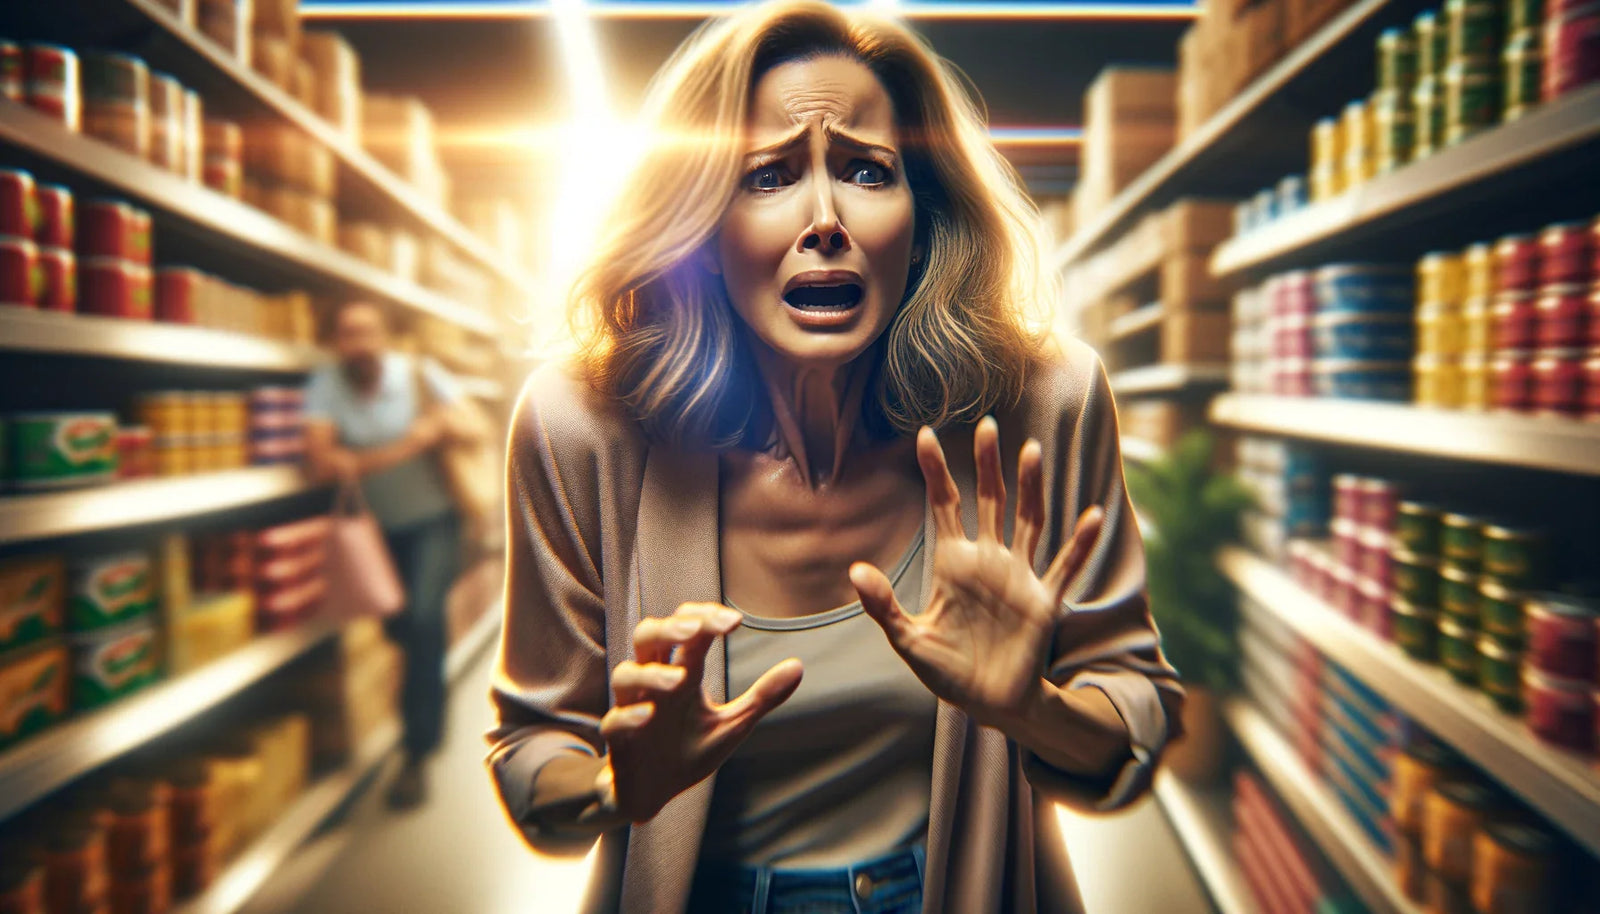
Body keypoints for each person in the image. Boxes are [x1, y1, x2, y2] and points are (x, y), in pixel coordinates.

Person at [487, 3, 1184, 912]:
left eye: (867, 170)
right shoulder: (582, 427)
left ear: (924, 213)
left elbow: (1133, 708)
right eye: (767, 176)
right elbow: (535, 753)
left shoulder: (1041, 407)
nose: (825, 219)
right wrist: (618, 786)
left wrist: (1033, 711)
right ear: (701, 224)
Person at [306, 301, 478, 809]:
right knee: (399, 629)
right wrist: (407, 446)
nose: (359, 343)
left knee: (424, 621)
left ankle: (416, 754)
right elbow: (319, 463)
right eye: (348, 334)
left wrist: (441, 430)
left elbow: (477, 429)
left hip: (433, 522)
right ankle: (417, 705)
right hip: (376, 535)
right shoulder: (325, 386)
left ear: (384, 337)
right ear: (337, 342)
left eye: (367, 332)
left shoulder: (423, 375)